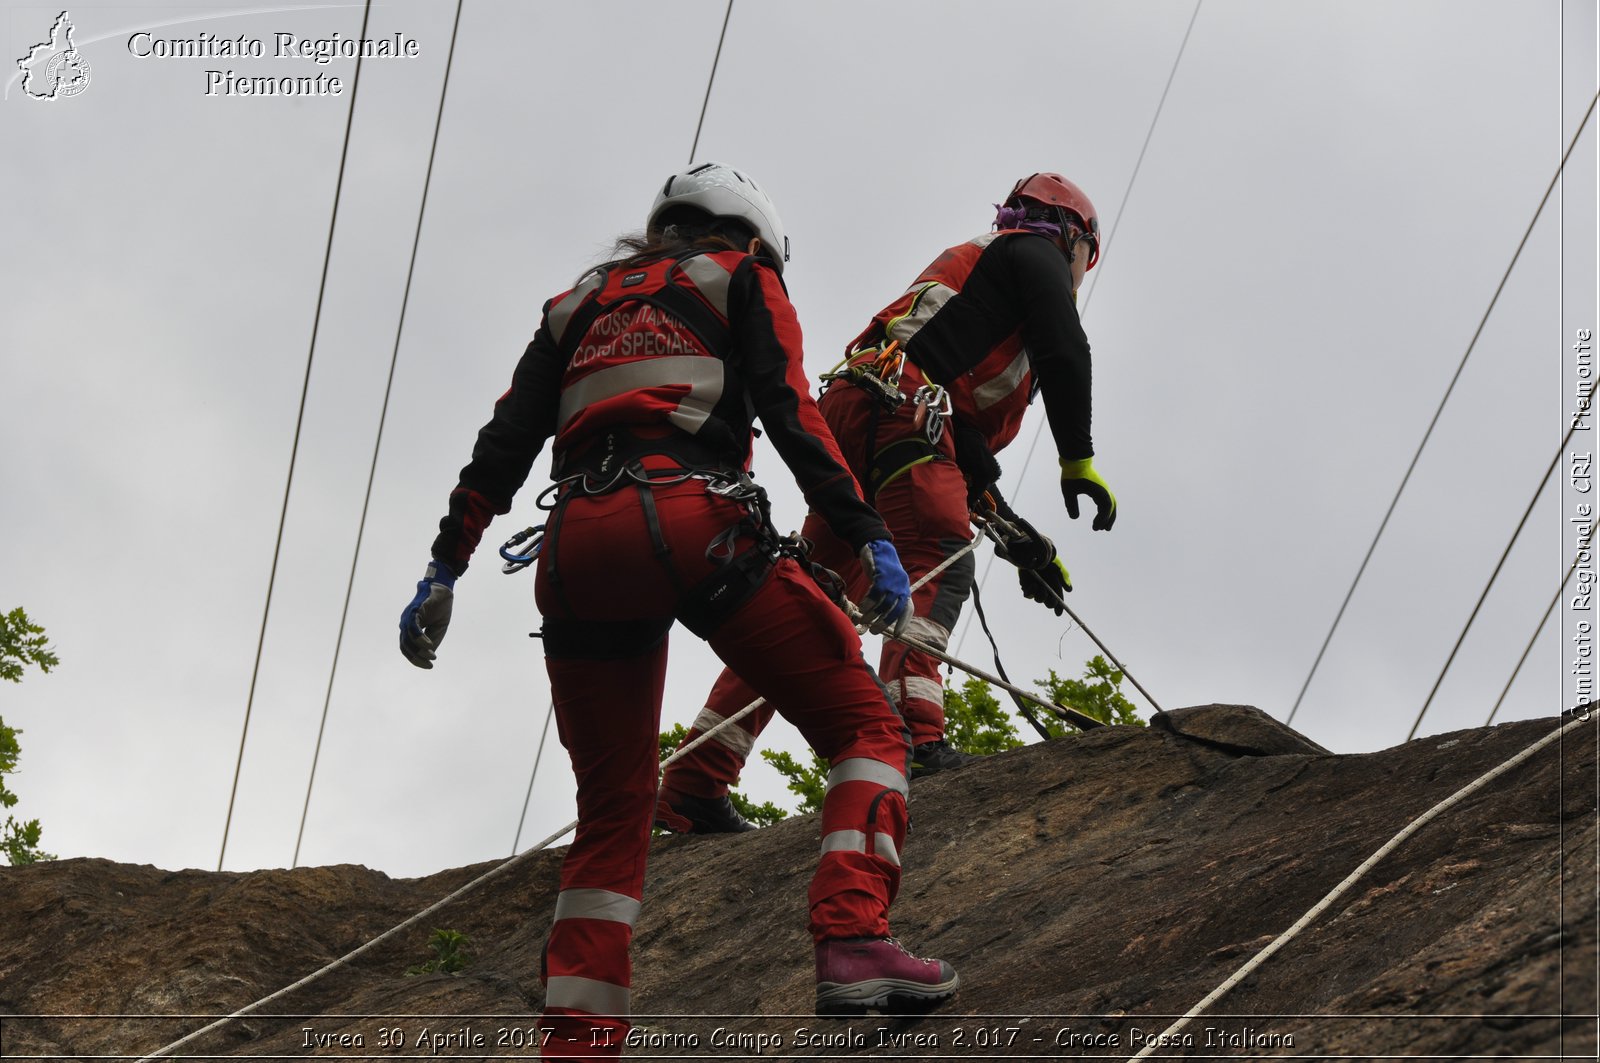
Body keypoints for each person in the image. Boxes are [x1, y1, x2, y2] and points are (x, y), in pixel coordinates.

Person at [397, 162, 957, 1058]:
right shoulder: (741, 278)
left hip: (578, 547)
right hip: (694, 523)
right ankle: (852, 939)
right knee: (865, 727)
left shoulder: (573, 305)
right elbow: (790, 411)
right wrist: (868, 532)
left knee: (613, 817)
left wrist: (444, 567)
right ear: (750, 238)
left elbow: (502, 444)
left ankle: (578, 1042)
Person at [657, 171, 1114, 834]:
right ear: (1070, 234)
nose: (1077, 274)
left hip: (867, 407)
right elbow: (1065, 348)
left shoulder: (981, 287)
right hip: (901, 412)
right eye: (1084, 258)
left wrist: (1018, 537)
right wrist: (1078, 458)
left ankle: (697, 778)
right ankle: (915, 734)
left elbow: (956, 439)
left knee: (810, 599)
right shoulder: (1032, 253)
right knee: (939, 555)